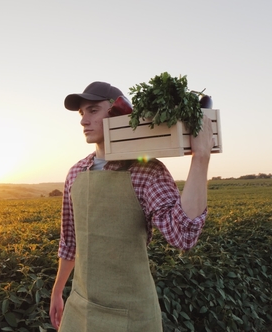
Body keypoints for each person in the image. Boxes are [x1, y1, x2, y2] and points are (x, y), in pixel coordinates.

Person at [49, 81, 214, 331]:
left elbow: (183, 236)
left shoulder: (146, 171)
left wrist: (201, 157)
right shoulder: (75, 174)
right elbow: (70, 241)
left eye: (93, 110)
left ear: (117, 113)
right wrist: (58, 290)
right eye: (82, 113)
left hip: (132, 313)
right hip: (80, 306)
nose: (83, 120)